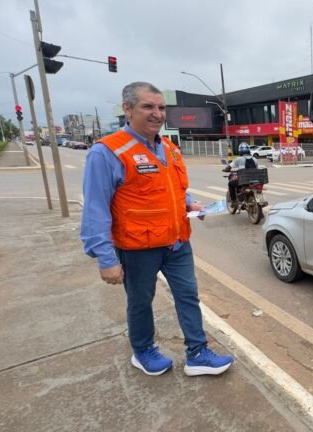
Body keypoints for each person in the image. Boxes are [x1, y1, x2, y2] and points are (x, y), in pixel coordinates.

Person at [80, 81, 234, 377]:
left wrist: (190, 204)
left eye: (161, 107)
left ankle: (198, 353)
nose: (158, 114)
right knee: (140, 302)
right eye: (148, 106)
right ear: (127, 109)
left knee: (188, 296)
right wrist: (106, 259)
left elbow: (173, 189)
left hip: (177, 243)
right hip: (138, 247)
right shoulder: (107, 152)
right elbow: (95, 210)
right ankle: (143, 350)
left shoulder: (170, 149)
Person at [226, 142, 257, 208]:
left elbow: (229, 167)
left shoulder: (238, 159)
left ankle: (234, 201)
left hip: (243, 181)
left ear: (240, 151)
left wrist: (225, 169)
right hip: (254, 181)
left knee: (230, 183)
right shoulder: (254, 159)